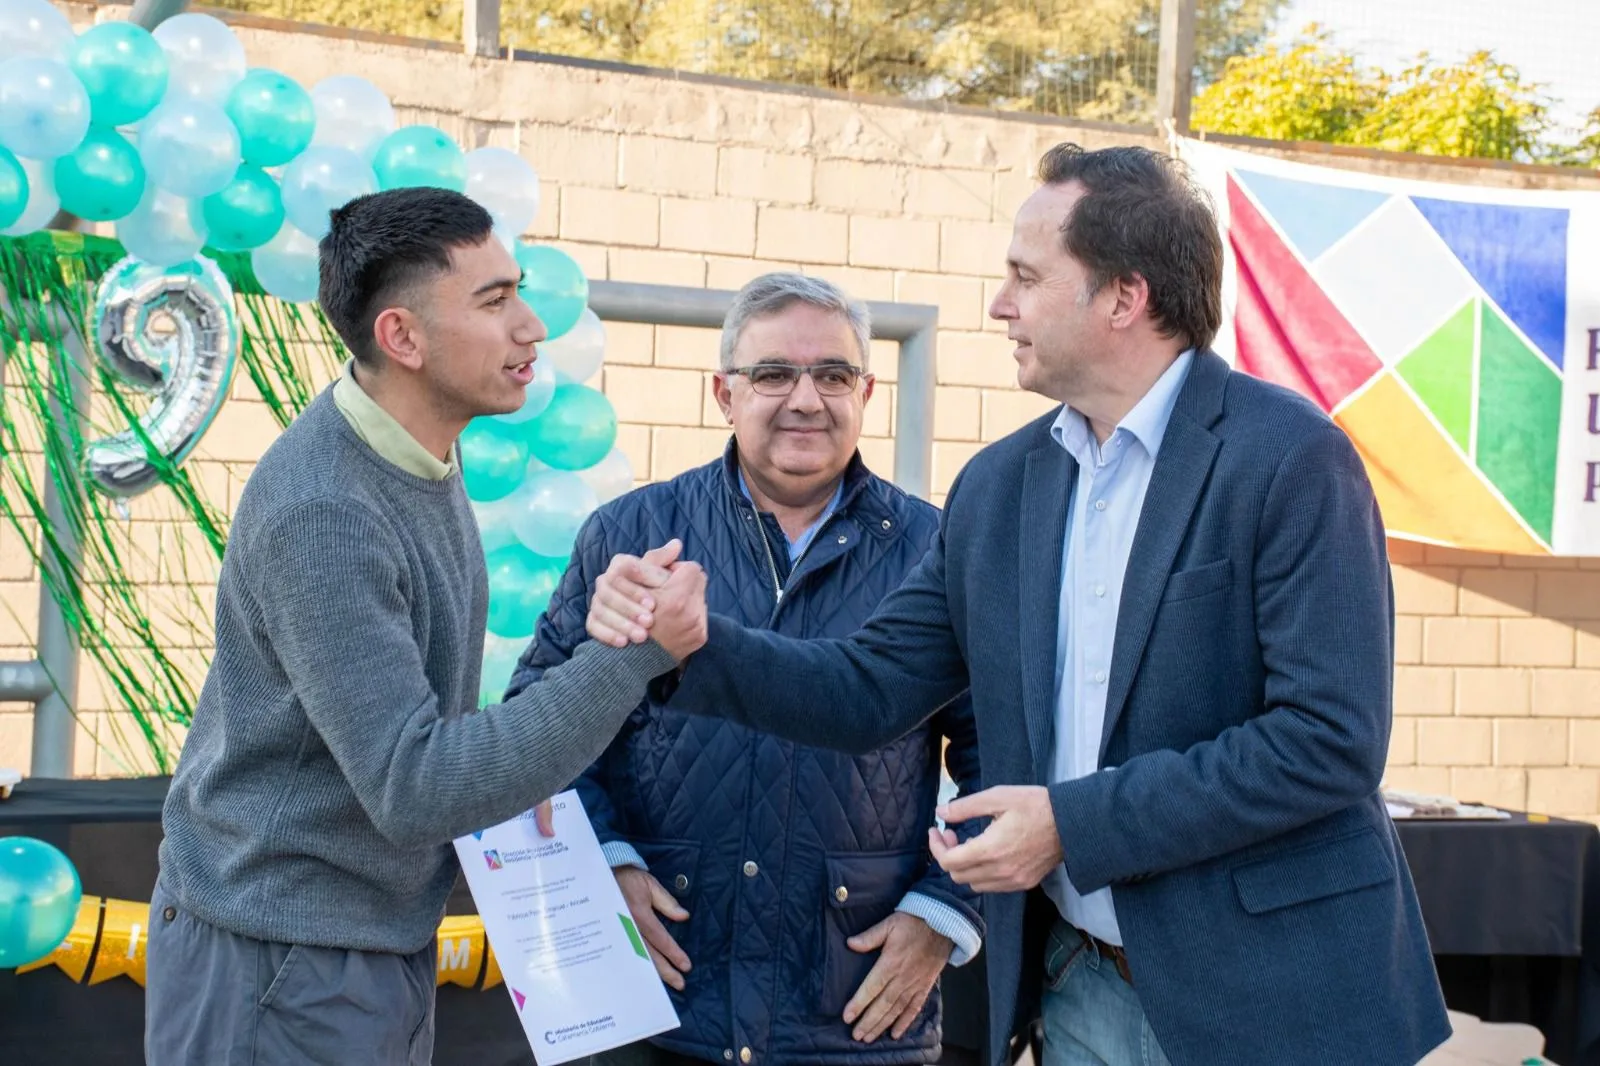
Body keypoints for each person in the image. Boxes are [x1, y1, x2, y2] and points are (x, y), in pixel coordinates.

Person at [586, 145, 1450, 1066]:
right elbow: (868, 686)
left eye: (1026, 278)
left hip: (1273, 1000)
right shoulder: (1001, 486)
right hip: (1080, 989)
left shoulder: (1290, 456)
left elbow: (1329, 739)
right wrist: (691, 643)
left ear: (1125, 296)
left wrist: (1071, 828)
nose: (1000, 304)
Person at [145, 187, 707, 1066]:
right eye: (494, 301)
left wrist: (525, 777)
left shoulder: (417, 456)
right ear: (401, 338)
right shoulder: (325, 509)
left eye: (518, 291)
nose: (532, 327)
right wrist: (628, 658)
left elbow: (413, 735)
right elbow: (412, 787)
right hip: (277, 961)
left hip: (352, 949)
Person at [504, 272, 986, 1066]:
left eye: (833, 375)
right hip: (659, 1001)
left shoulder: (936, 551)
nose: (806, 399)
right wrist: (602, 862)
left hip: (854, 1012)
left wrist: (945, 912)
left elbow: (1002, 758)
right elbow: (539, 726)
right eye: (773, 375)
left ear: (866, 392)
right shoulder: (633, 534)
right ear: (724, 393)